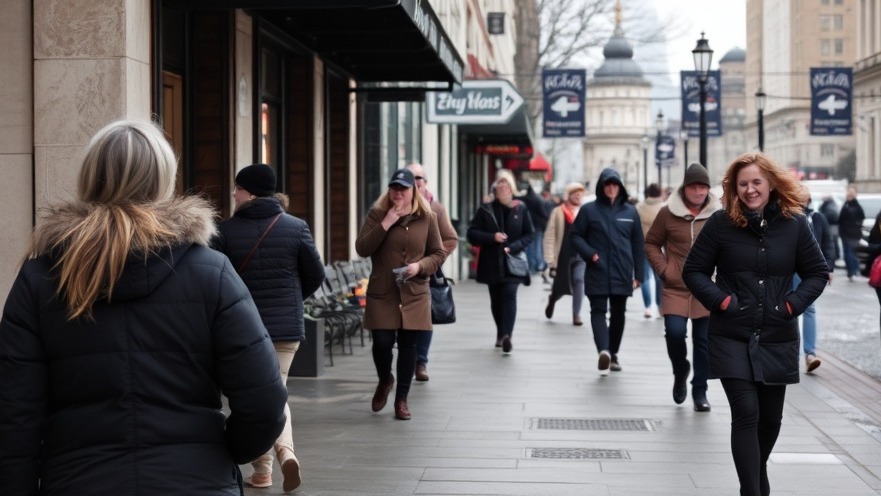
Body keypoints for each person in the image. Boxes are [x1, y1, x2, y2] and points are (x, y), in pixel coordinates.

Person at [0, 120, 288, 495]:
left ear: (90, 178)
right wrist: (219, 453)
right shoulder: (211, 273)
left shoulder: (41, 278)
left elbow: (14, 414)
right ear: (164, 180)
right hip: (196, 482)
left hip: (79, 480)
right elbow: (264, 400)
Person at [683, 152, 828, 496]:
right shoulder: (720, 224)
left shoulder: (795, 225)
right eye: (743, 184)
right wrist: (722, 301)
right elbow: (694, 271)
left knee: (770, 422)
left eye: (756, 182)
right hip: (732, 333)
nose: (750, 190)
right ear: (734, 188)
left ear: (771, 184)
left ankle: (755, 477)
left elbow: (817, 273)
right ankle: (752, 490)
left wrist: (792, 305)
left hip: (777, 335)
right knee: (746, 412)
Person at [213, 163, 326, 491]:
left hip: (241, 329)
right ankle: (283, 455)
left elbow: (215, 283)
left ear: (249, 192)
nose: (233, 194)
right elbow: (316, 274)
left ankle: (264, 470)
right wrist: (292, 299)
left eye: (237, 188)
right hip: (286, 330)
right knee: (276, 391)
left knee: (255, 397)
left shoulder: (224, 232)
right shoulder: (296, 227)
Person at [355, 168, 446, 420]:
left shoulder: (427, 217)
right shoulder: (377, 215)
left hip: (415, 291)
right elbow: (362, 248)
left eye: (403, 188)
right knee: (382, 342)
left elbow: (438, 253)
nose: (398, 192)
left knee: (409, 347)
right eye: (394, 187)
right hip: (383, 290)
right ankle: (385, 379)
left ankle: (402, 400)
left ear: (412, 191)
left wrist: (419, 267)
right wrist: (386, 223)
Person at [645, 163, 720, 412]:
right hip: (676, 286)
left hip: (706, 288)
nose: (698, 192)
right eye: (693, 187)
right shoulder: (668, 213)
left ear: (708, 190)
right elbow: (652, 243)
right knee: (675, 333)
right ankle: (680, 370)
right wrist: (664, 270)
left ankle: (700, 391)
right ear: (685, 188)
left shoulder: (719, 215)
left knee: (703, 341)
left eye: (702, 187)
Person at [570, 168, 644, 375]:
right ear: (602, 187)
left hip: (622, 271)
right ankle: (604, 351)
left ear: (620, 187)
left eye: (615, 184)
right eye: (608, 184)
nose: (611, 188)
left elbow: (638, 244)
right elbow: (575, 236)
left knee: (619, 313)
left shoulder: (630, 212)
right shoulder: (589, 210)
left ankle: (613, 354)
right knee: (598, 311)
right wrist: (590, 254)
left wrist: (639, 275)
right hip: (597, 270)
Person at [467, 169, 535, 352]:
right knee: (496, 300)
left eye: (505, 183)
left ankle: (507, 336)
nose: (502, 186)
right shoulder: (486, 209)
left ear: (511, 186)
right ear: (495, 187)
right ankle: (500, 332)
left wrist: (514, 246)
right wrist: (492, 237)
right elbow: (471, 234)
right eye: (499, 183)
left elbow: (530, 234)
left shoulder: (520, 208)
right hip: (492, 263)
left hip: (513, 262)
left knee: (510, 295)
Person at [405, 162, 459, 382]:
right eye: (410, 177)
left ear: (425, 182)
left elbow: (451, 239)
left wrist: (433, 260)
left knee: (425, 317)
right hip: (400, 273)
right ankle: (406, 359)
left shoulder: (436, 208)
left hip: (426, 274)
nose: (415, 182)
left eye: (419, 178)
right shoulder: (395, 206)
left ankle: (421, 362)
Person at [795, 196, 836, 373]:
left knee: (809, 308)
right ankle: (791, 352)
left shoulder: (817, 217)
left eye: (805, 198)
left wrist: (829, 267)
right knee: (790, 310)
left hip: (811, 270)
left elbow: (828, 243)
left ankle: (810, 353)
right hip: (790, 270)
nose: (802, 200)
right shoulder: (788, 217)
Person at [543, 182, 587, 326]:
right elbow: (550, 235)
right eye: (575, 193)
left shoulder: (585, 211)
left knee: (579, 281)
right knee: (560, 286)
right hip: (563, 255)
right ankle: (553, 299)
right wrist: (550, 258)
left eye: (580, 193)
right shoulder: (559, 211)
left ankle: (577, 314)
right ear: (569, 195)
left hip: (581, 255)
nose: (578, 196)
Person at [636, 183, 665, 319]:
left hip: (643, 246)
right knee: (660, 278)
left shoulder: (639, 207)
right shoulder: (665, 207)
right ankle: (660, 307)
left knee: (645, 278)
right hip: (660, 248)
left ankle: (648, 307)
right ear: (659, 193)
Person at [519, 182, 550, 274]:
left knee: (528, 247)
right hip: (537, 226)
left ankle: (529, 265)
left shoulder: (523, 200)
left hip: (526, 226)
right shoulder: (538, 200)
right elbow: (544, 215)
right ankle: (536, 265)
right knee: (536, 246)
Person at [838, 187, 865, 281]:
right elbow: (841, 219)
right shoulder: (846, 205)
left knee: (850, 253)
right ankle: (851, 271)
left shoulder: (855, 206)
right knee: (847, 254)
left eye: (851, 194)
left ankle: (853, 270)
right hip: (845, 234)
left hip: (852, 235)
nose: (849, 195)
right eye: (848, 193)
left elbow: (860, 219)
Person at [818, 194, 840, 263]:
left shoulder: (829, 206)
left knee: (830, 244)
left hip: (831, 227)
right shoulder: (830, 205)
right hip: (831, 227)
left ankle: (833, 259)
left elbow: (831, 216)